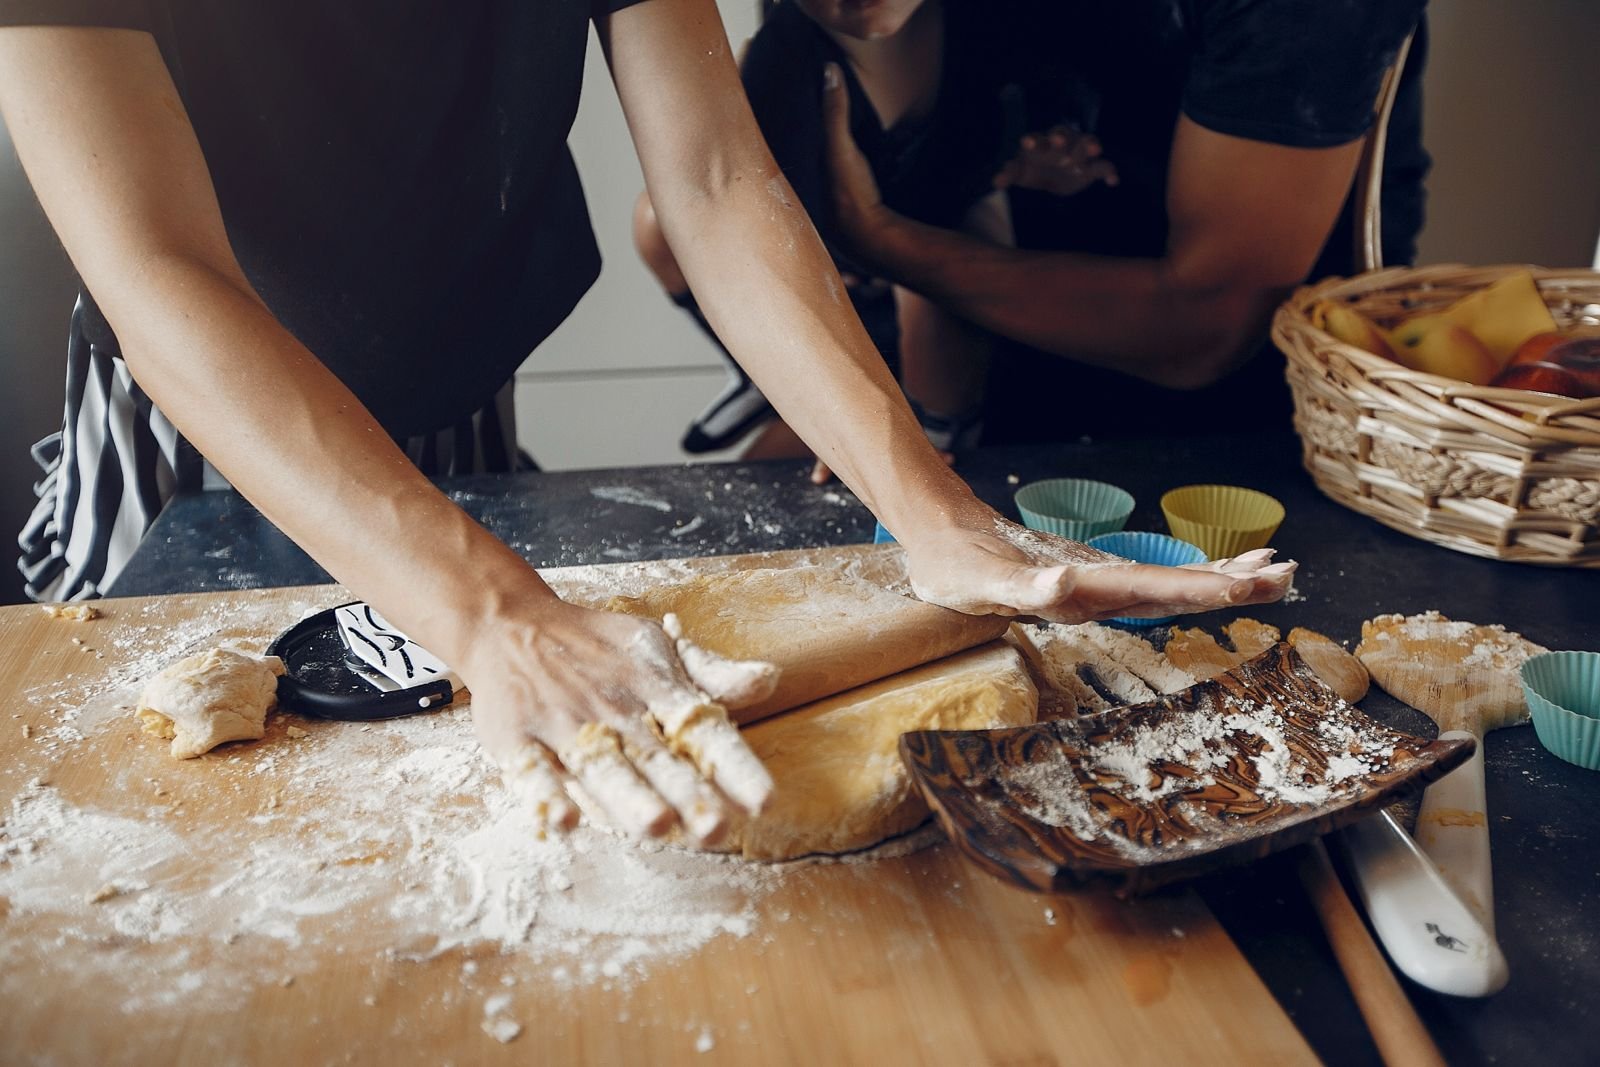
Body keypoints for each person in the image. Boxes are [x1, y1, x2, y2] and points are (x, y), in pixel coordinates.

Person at [0, 0, 1293, 843]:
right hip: (201, 435)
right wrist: (492, 610)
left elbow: (716, 179)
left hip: (456, 411)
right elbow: (159, 270)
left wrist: (930, 509)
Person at [817, 0, 1431, 442]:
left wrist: (878, 240)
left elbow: (1203, 327)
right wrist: (909, 431)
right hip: (1009, 381)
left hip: (1260, 429)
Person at [633, 0, 1119, 468]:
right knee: (662, 216)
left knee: (936, 298)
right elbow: (761, 230)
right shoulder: (786, 59)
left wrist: (1047, 155)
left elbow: (1044, 111)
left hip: (945, 279)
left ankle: (938, 435)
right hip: (838, 290)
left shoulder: (996, 24)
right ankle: (760, 372)